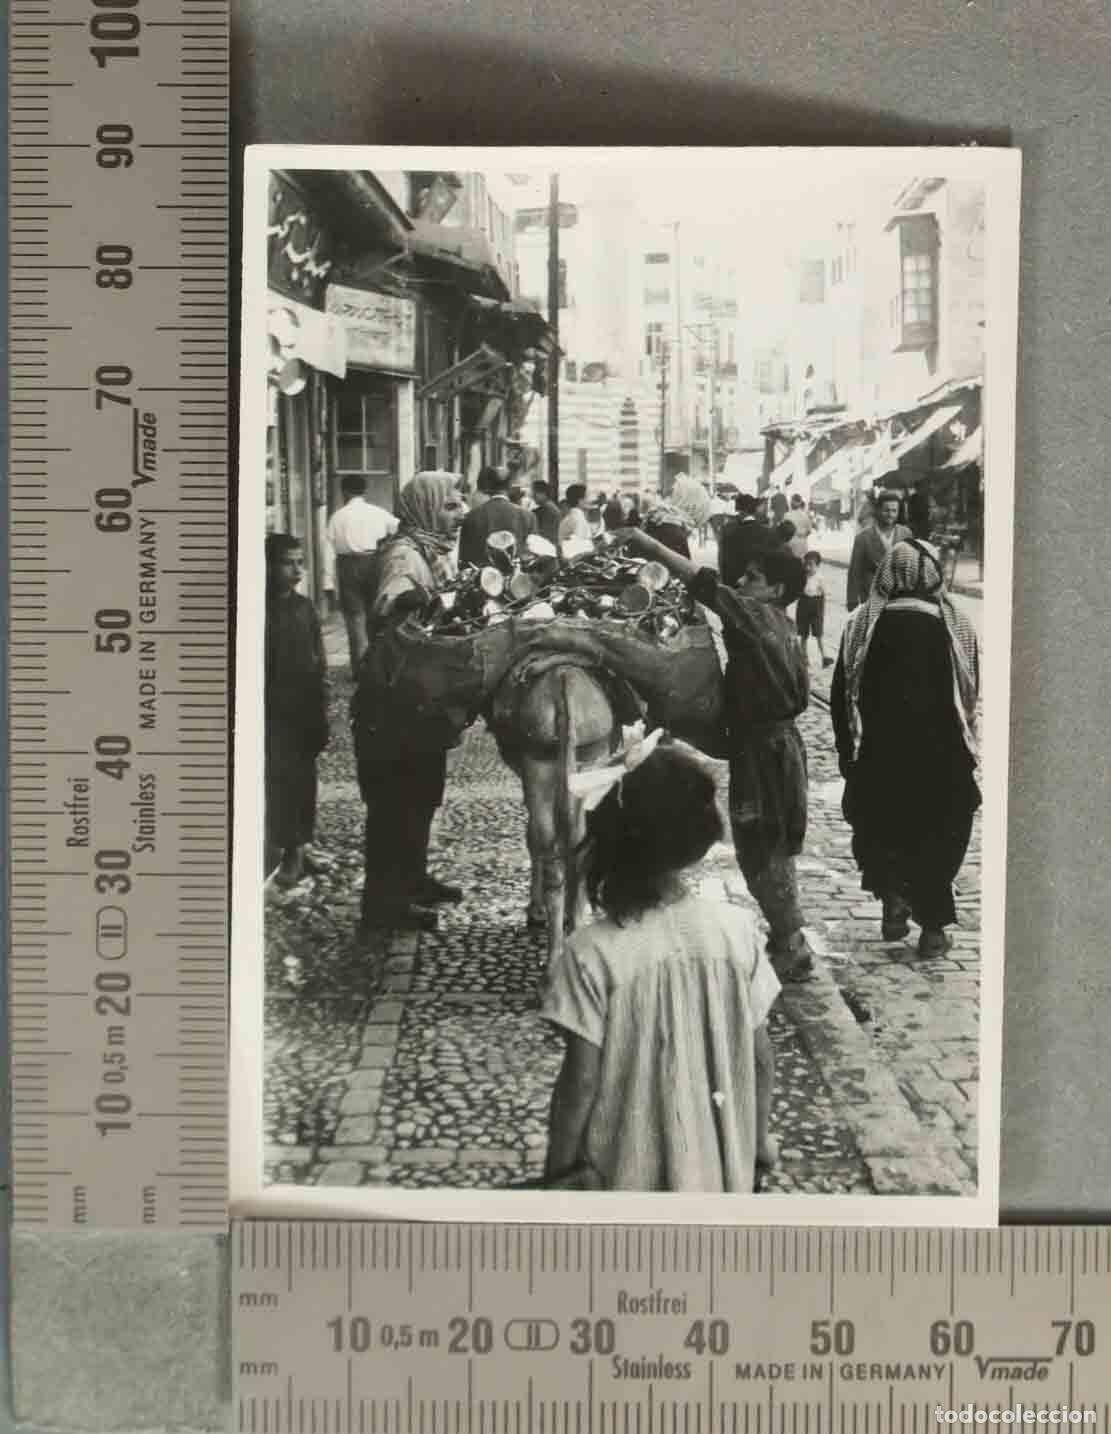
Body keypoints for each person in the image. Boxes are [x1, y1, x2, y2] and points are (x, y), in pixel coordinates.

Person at [542, 744, 780, 1191]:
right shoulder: (737, 932)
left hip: (624, 1177)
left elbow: (581, 1081)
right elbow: (761, 1056)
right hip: (720, 1173)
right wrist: (760, 1140)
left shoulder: (591, 953)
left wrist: (560, 1168)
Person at [618, 527, 815, 982]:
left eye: (752, 576)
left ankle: (791, 943)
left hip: (764, 757)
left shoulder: (754, 615)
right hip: (778, 750)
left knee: (760, 846)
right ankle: (787, 938)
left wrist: (650, 547)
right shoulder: (782, 623)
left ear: (775, 590)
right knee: (775, 845)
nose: (742, 582)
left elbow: (704, 583)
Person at [831, 540, 981, 957]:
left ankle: (894, 898)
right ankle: (933, 929)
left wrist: (849, 755)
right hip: (942, 758)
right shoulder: (956, 624)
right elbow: (971, 693)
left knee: (884, 828)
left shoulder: (861, 624)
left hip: (880, 757)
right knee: (939, 834)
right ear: (931, 572)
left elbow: (843, 694)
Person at [353, 473, 468, 935]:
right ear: (425, 508)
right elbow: (389, 602)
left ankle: (413, 880)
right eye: (450, 507)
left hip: (419, 697)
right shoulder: (405, 555)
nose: (459, 516)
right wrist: (425, 598)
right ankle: (384, 907)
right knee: (395, 806)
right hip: (394, 702)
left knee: (420, 797)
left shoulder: (428, 551)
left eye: (460, 506)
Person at [265, 534, 329, 888]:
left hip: (303, 709)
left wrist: (321, 710)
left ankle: (301, 848)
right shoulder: (259, 610)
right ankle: (287, 851)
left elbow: (318, 661)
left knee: (304, 783)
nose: (297, 569)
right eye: (288, 562)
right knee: (280, 781)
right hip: (275, 712)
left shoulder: (304, 608)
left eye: (300, 562)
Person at [324, 475, 399, 671]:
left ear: (345, 492)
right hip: (374, 562)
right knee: (377, 613)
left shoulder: (337, 517)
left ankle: (360, 668)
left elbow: (328, 550)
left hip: (347, 566)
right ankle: (378, 665)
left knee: (355, 617)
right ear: (364, 491)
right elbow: (399, 528)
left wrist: (328, 583)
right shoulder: (378, 513)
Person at [845, 487, 912, 610]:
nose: (890, 515)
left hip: (899, 597)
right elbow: (854, 571)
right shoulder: (863, 538)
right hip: (871, 596)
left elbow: (910, 566)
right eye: (886, 510)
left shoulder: (905, 533)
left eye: (894, 511)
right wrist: (852, 601)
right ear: (878, 510)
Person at [457, 465, 535, 569]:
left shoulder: (472, 516)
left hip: (483, 581)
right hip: (518, 581)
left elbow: (464, 560)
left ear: (488, 487)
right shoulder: (528, 516)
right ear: (509, 487)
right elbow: (533, 555)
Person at [718, 492, 777, 587]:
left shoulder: (728, 529)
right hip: (753, 583)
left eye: (737, 510)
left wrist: (722, 578)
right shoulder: (765, 532)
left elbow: (721, 556)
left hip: (730, 580)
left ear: (741, 511)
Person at [796, 551, 833, 669]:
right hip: (803, 604)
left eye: (811, 565)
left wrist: (820, 609)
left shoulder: (820, 578)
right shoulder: (802, 577)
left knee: (819, 633)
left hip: (816, 605)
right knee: (803, 634)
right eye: (806, 565)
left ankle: (825, 657)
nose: (808, 568)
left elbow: (824, 593)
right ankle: (803, 657)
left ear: (817, 566)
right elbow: (798, 589)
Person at [530, 479, 563, 547]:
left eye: (535, 493)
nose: (532, 496)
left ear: (543, 493)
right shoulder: (551, 507)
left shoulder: (546, 510)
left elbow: (543, 535)